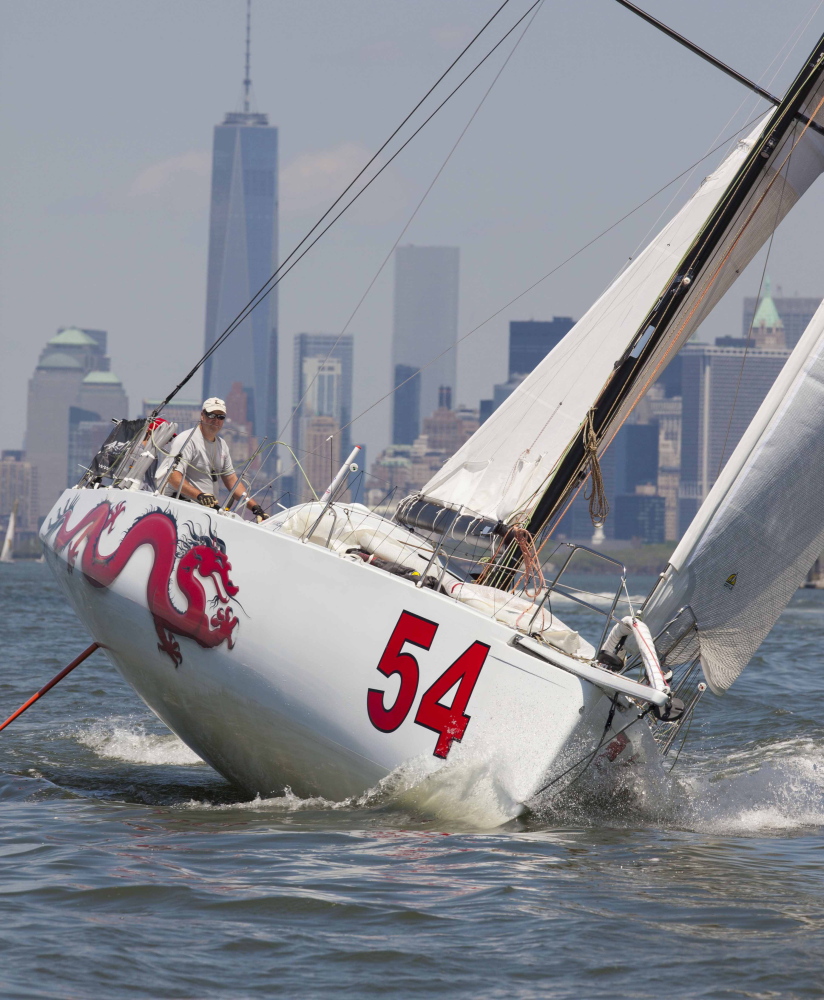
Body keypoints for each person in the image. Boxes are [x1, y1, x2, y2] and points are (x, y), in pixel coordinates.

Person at [157, 397, 268, 521]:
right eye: (212, 415)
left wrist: (256, 508)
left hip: (203, 512)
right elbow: (172, 476)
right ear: (202, 415)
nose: (216, 420)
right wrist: (199, 495)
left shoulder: (222, 445)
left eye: (221, 417)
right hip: (178, 508)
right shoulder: (187, 439)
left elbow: (232, 481)